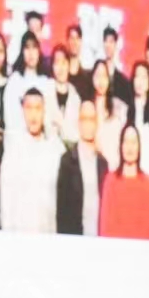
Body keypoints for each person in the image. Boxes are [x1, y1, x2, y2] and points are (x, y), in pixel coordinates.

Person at [0, 88, 64, 233]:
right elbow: (6, 200)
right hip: (20, 232)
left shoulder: (55, 148)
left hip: (49, 230)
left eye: (38, 108)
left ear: (44, 111)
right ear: (22, 111)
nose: (33, 114)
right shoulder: (13, 151)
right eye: (29, 108)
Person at [56, 99, 108, 235]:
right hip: (75, 236)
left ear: (96, 123)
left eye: (92, 119)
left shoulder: (103, 163)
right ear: (78, 123)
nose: (88, 124)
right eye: (84, 119)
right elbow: (62, 209)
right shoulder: (67, 161)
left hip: (99, 235)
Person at [99, 124, 149, 240]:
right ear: (120, 146)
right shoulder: (110, 181)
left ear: (139, 147)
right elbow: (105, 226)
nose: (130, 147)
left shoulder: (147, 184)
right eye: (126, 142)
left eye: (133, 142)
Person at [4, 31, 48, 128]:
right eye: (27, 48)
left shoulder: (45, 82)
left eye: (34, 47)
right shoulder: (14, 81)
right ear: (22, 51)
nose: (31, 53)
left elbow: (48, 115)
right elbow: (10, 117)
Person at [87, 60, 126, 166]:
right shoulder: (88, 107)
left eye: (104, 76)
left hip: (114, 161)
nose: (101, 81)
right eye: (97, 76)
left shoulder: (119, 107)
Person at [43, 44, 82, 145]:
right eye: (57, 63)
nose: (60, 68)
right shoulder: (45, 91)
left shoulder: (75, 97)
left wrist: (60, 124)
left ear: (69, 65)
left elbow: (76, 134)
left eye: (64, 62)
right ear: (52, 66)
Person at [102, 27, 133, 105]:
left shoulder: (123, 81)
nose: (108, 45)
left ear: (116, 44)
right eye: (105, 41)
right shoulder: (97, 74)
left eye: (111, 41)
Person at [66, 24, 93, 100]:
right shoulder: (61, 74)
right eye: (72, 38)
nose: (74, 42)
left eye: (77, 38)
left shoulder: (87, 77)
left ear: (81, 42)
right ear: (67, 41)